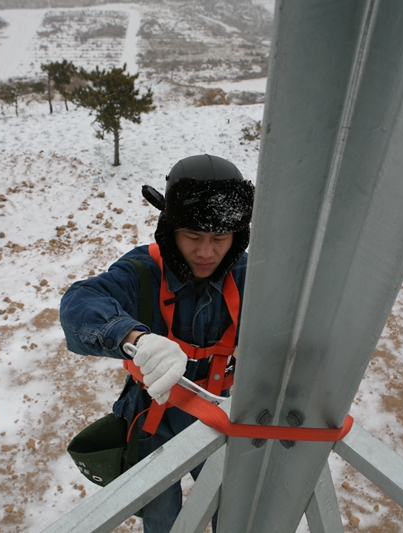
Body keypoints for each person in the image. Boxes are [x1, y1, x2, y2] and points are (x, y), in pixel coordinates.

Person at [60, 154, 254, 532]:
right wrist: (134, 338)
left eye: (219, 238)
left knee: (231, 513)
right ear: (170, 231)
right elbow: (78, 304)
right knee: (162, 520)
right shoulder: (143, 270)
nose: (206, 252)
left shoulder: (252, 276)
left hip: (222, 419)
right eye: (193, 236)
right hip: (151, 420)